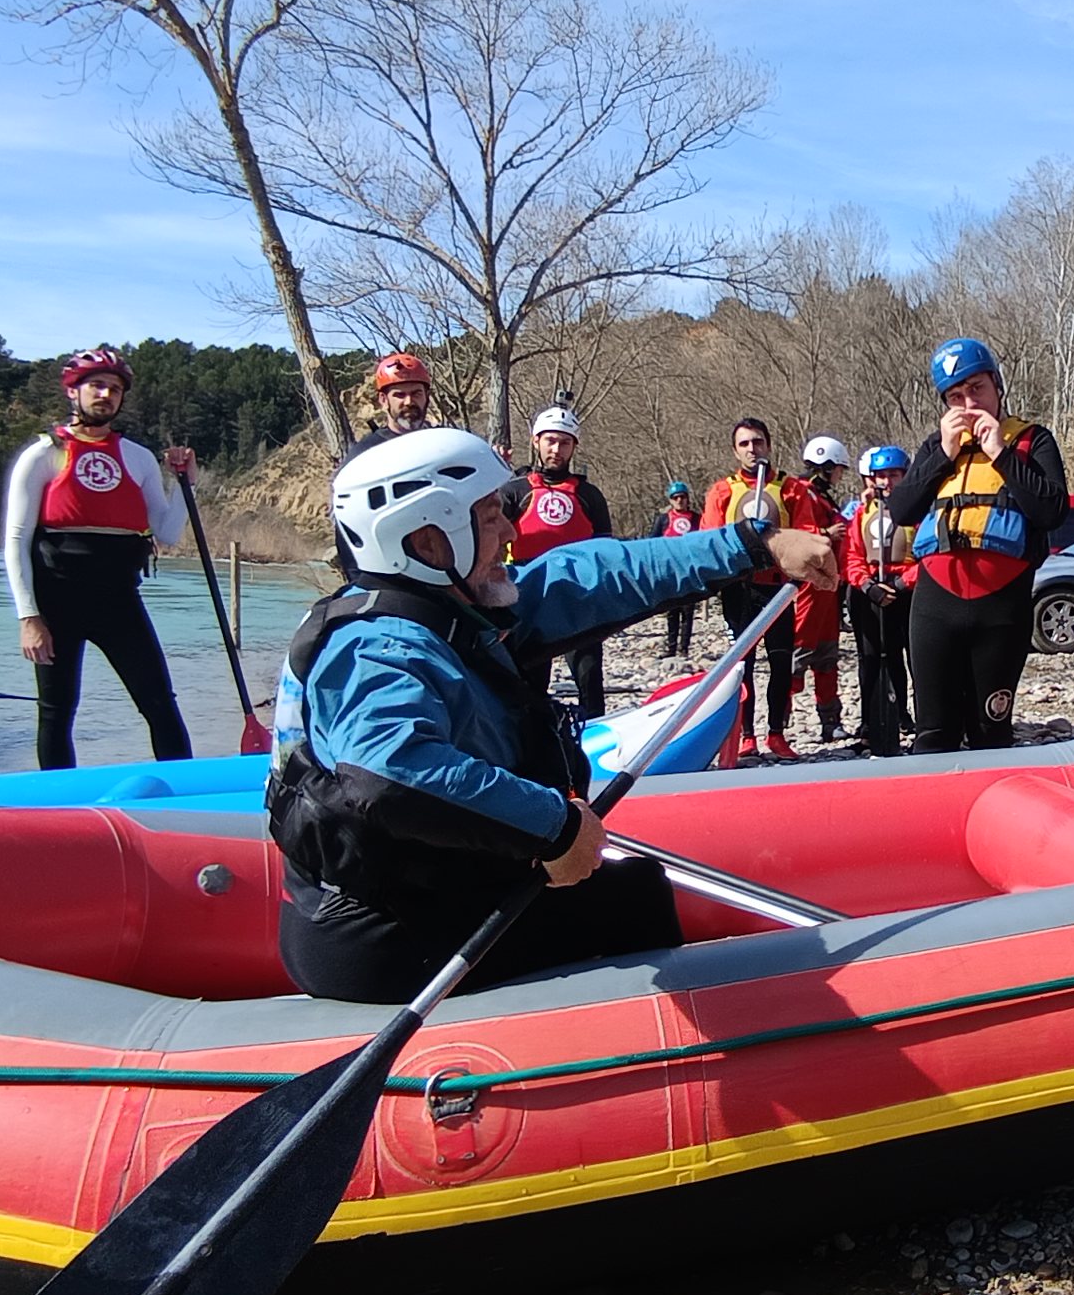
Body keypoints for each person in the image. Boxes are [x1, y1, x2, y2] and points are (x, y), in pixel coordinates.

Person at [271, 428, 836, 999]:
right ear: (426, 542)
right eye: (490, 517)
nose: (510, 532)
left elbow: (591, 575)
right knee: (631, 896)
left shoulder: (453, 608)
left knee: (619, 887)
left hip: (429, 891)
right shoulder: (375, 648)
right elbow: (388, 773)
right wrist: (554, 828)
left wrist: (753, 546)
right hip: (382, 936)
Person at [3, 347, 195, 770]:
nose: (105, 394)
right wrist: (28, 617)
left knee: (159, 703)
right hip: (56, 603)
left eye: (114, 388)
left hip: (119, 601)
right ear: (73, 392)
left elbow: (166, 532)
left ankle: (187, 793)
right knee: (56, 711)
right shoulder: (43, 453)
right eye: (96, 386)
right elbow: (16, 539)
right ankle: (59, 808)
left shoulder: (138, 457)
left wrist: (185, 484)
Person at [890, 338, 1068, 752]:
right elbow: (901, 510)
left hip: (1001, 609)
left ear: (997, 387)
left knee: (991, 732)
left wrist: (1000, 454)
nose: (969, 403)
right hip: (936, 606)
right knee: (933, 733)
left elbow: (1052, 511)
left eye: (977, 389)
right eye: (956, 396)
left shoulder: (1032, 441)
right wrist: (944, 455)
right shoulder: (937, 446)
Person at [701, 417, 828, 758]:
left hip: (777, 588)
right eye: (744, 444)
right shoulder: (722, 491)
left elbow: (805, 532)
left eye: (757, 442)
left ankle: (776, 733)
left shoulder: (791, 489)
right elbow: (709, 537)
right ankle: (746, 736)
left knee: (780, 662)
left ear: (768, 445)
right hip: (740, 589)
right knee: (743, 664)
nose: (752, 449)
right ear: (735, 450)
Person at [504, 404, 617, 721]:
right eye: (550, 441)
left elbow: (605, 553)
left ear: (574, 446)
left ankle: (595, 733)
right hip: (527, 595)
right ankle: (531, 742)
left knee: (589, 674)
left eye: (564, 442)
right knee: (530, 680)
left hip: (577, 594)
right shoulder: (513, 492)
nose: (556, 449)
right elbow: (491, 548)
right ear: (536, 441)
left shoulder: (589, 495)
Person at [841, 444, 917, 754]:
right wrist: (866, 585)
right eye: (881, 476)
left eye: (893, 475)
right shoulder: (862, 513)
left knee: (914, 659)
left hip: (906, 591)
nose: (887, 482)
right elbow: (851, 555)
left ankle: (917, 719)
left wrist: (902, 583)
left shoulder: (918, 511)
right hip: (870, 593)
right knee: (871, 659)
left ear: (905, 476)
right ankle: (870, 723)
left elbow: (929, 555)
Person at [792, 436, 853, 743]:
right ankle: (779, 720)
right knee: (799, 652)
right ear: (826, 467)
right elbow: (796, 532)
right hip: (810, 585)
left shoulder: (823, 497)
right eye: (839, 469)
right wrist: (826, 533)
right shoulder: (803, 493)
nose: (841, 475)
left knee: (827, 654)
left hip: (828, 586)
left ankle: (830, 720)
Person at [649, 481, 702, 657]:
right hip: (670, 572)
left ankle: (684, 649)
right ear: (671, 501)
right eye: (676, 498)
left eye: (683, 497)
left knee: (688, 611)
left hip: (690, 572)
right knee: (672, 611)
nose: (680, 500)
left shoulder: (697, 519)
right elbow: (652, 544)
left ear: (688, 499)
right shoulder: (663, 520)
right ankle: (671, 647)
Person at [365, 350, 436, 440]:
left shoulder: (447, 441)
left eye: (416, 394)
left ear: (427, 396)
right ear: (383, 400)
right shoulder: (369, 452)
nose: (409, 402)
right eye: (399, 394)